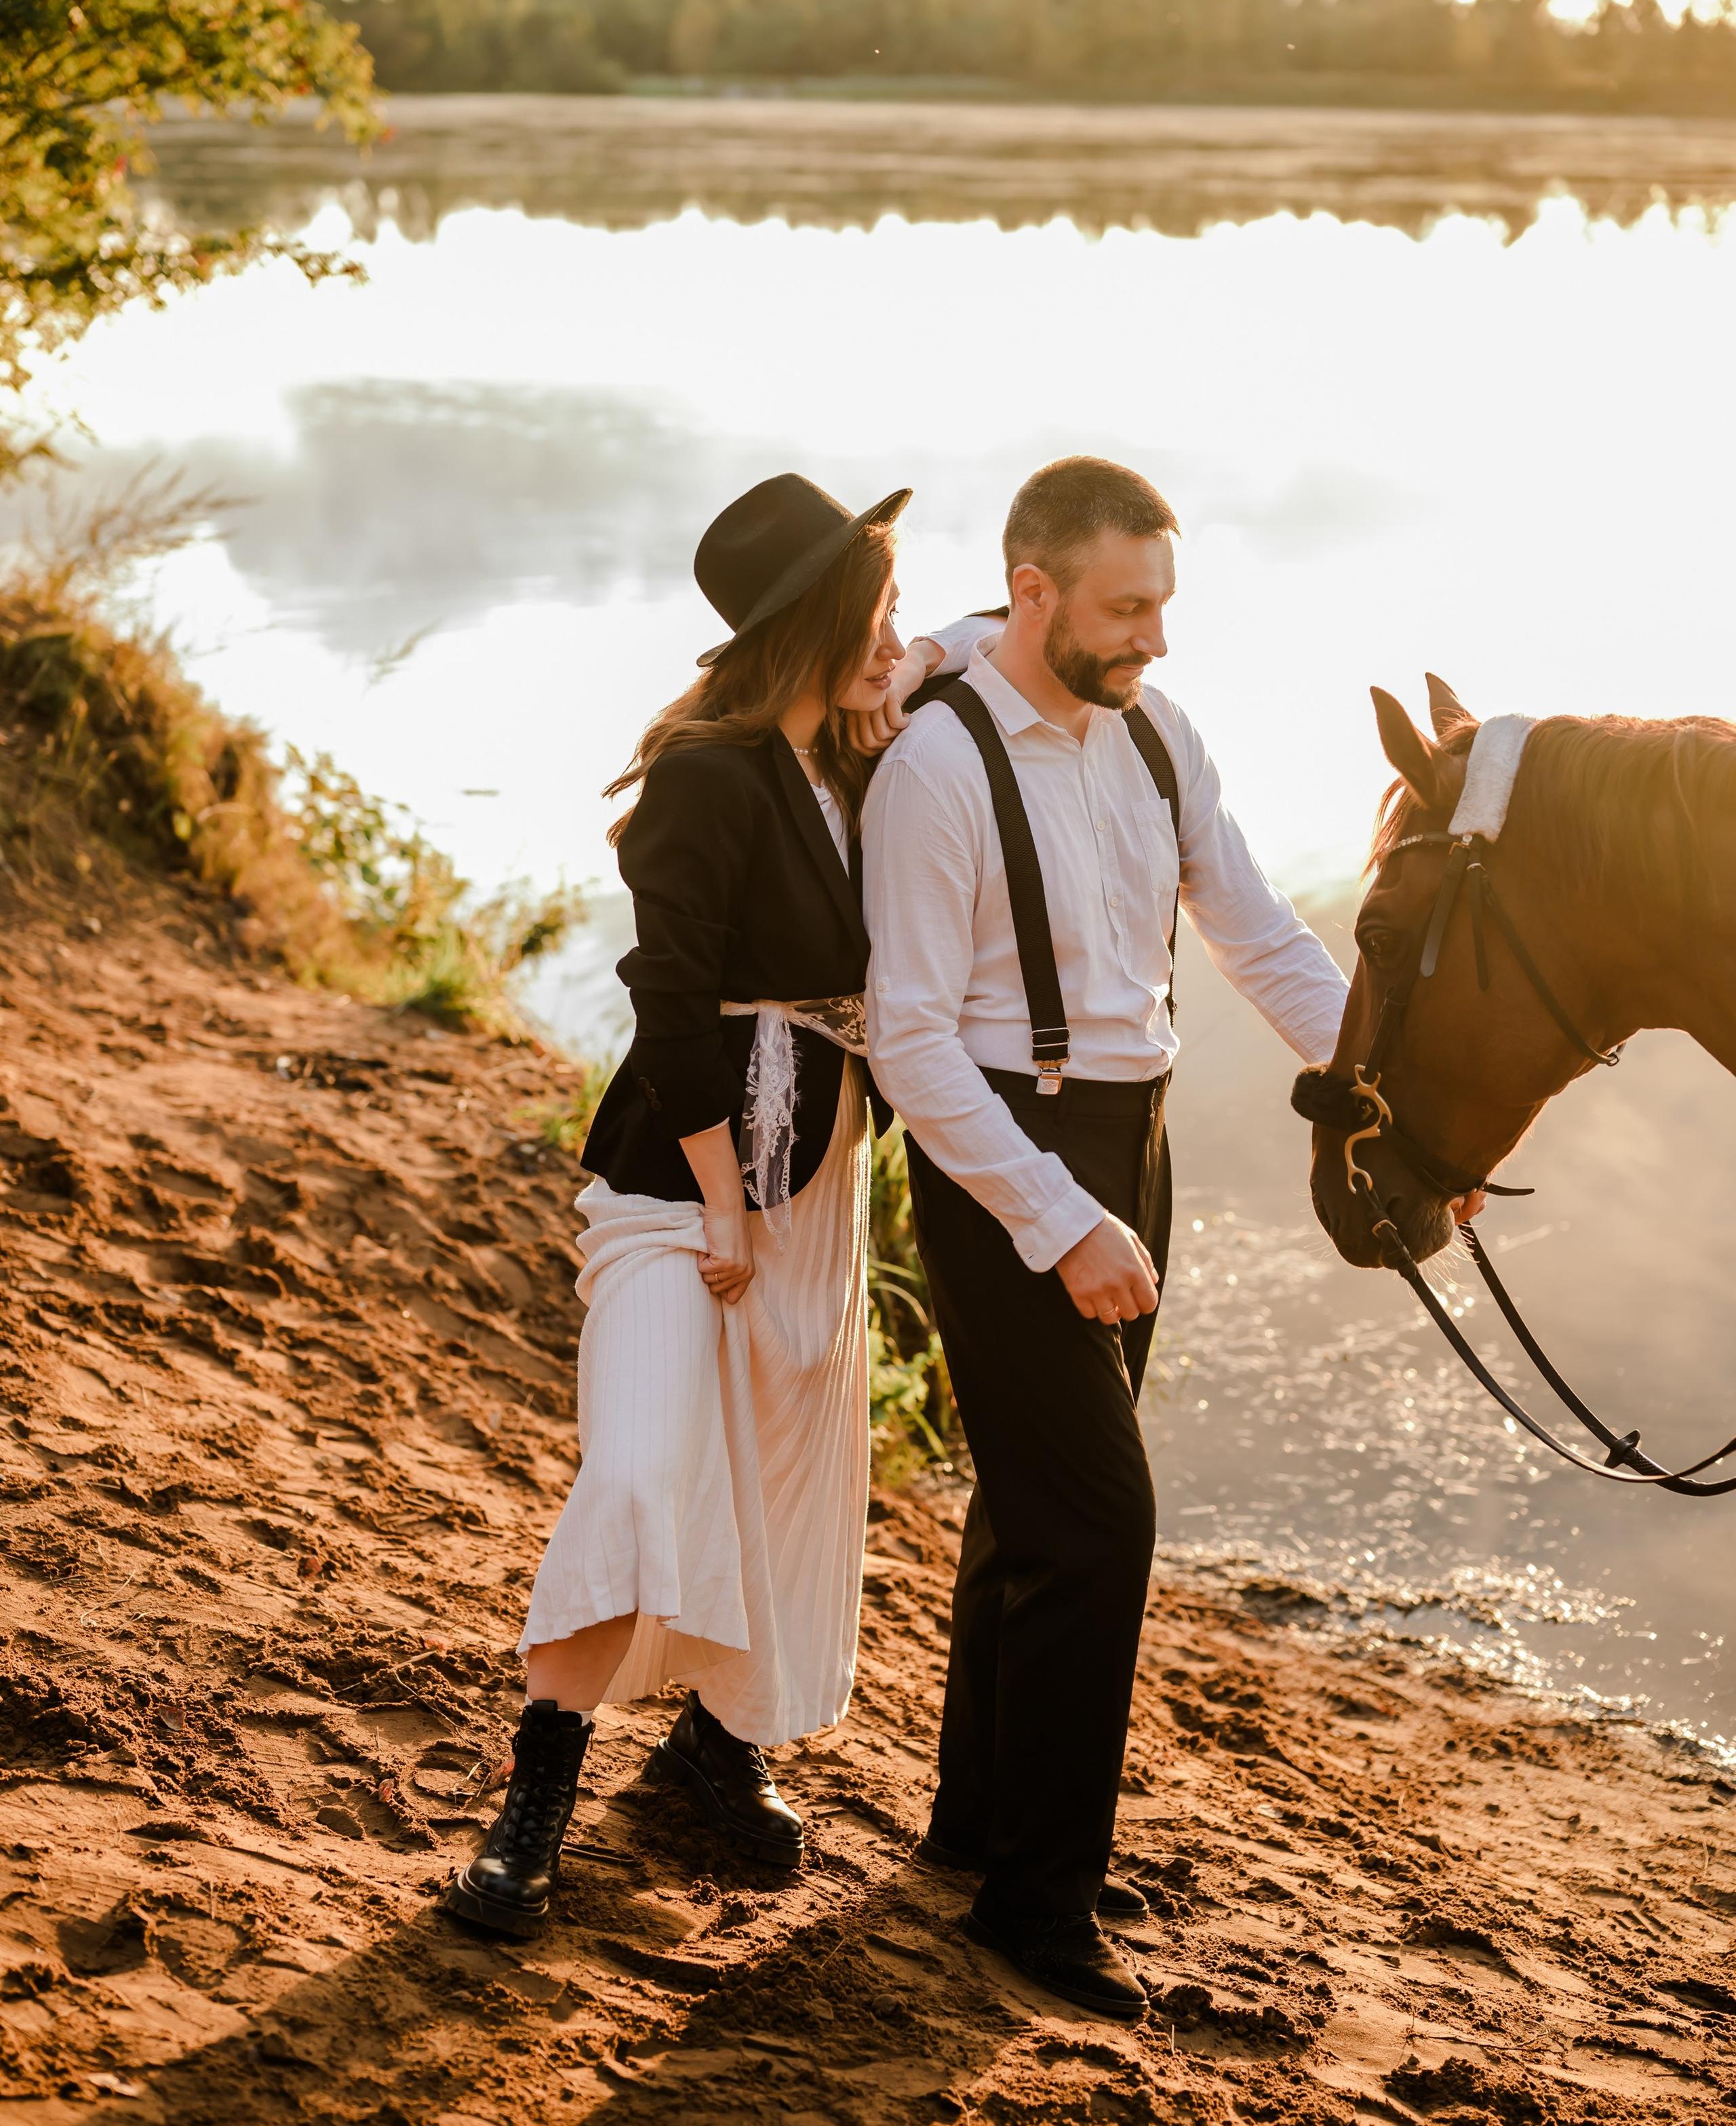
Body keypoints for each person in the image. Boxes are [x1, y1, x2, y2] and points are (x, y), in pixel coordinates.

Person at [861, 454, 1351, 2022]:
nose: (1153, 636)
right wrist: (1059, 1221)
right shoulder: (936, 762)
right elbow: (911, 1040)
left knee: (1030, 1499)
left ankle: (978, 1824)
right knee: (1098, 1523)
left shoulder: (1156, 733)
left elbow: (1256, 931)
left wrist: (1388, 1094)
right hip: (1000, 1147)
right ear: (1031, 592)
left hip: (1131, 1134)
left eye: (1162, 603)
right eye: (1125, 606)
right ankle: (1036, 1901)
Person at [448, 472, 911, 1937]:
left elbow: (968, 653)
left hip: (813, 1197)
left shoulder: (847, 768)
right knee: (642, 1467)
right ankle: (535, 1807)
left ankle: (719, 1741)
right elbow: (664, 997)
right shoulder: (708, 774)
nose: (896, 630)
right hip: (682, 1191)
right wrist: (719, 1202)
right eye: (878, 608)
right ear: (818, 618)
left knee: (777, 1477)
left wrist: (908, 685)